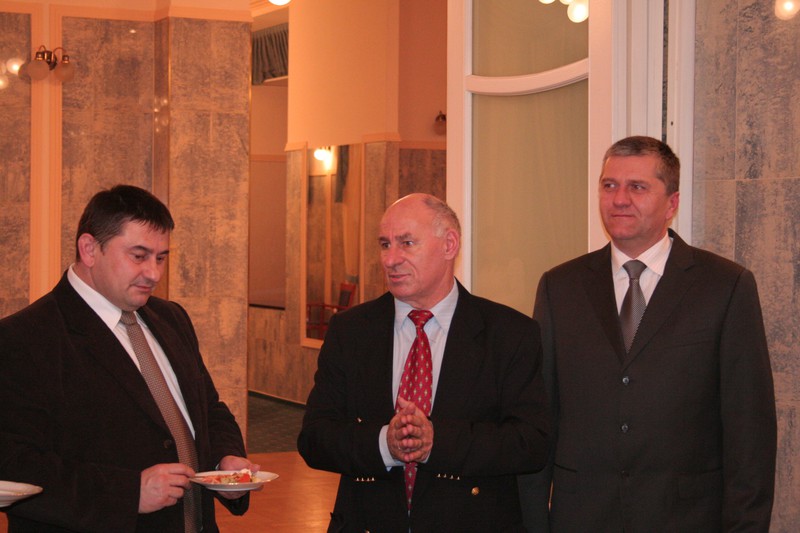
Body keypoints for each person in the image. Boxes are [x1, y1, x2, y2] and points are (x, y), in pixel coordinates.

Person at [518, 136, 777, 532]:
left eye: (637, 187)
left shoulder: (725, 286)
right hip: (583, 517)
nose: (619, 199)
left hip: (686, 518)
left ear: (672, 204)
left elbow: (750, 431)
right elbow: (540, 417)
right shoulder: (560, 287)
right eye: (609, 185)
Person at [0, 185, 258, 532]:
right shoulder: (23, 338)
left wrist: (226, 459)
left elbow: (208, 409)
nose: (154, 273)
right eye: (139, 256)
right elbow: (14, 465)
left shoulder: (172, 318)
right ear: (89, 249)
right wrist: (128, 493)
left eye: (161, 257)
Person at [298, 193, 549, 532]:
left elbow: (531, 443)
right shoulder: (351, 330)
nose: (391, 259)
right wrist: (384, 444)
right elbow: (314, 438)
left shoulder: (509, 333)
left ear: (449, 245)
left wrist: (437, 442)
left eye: (407, 243)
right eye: (385, 244)